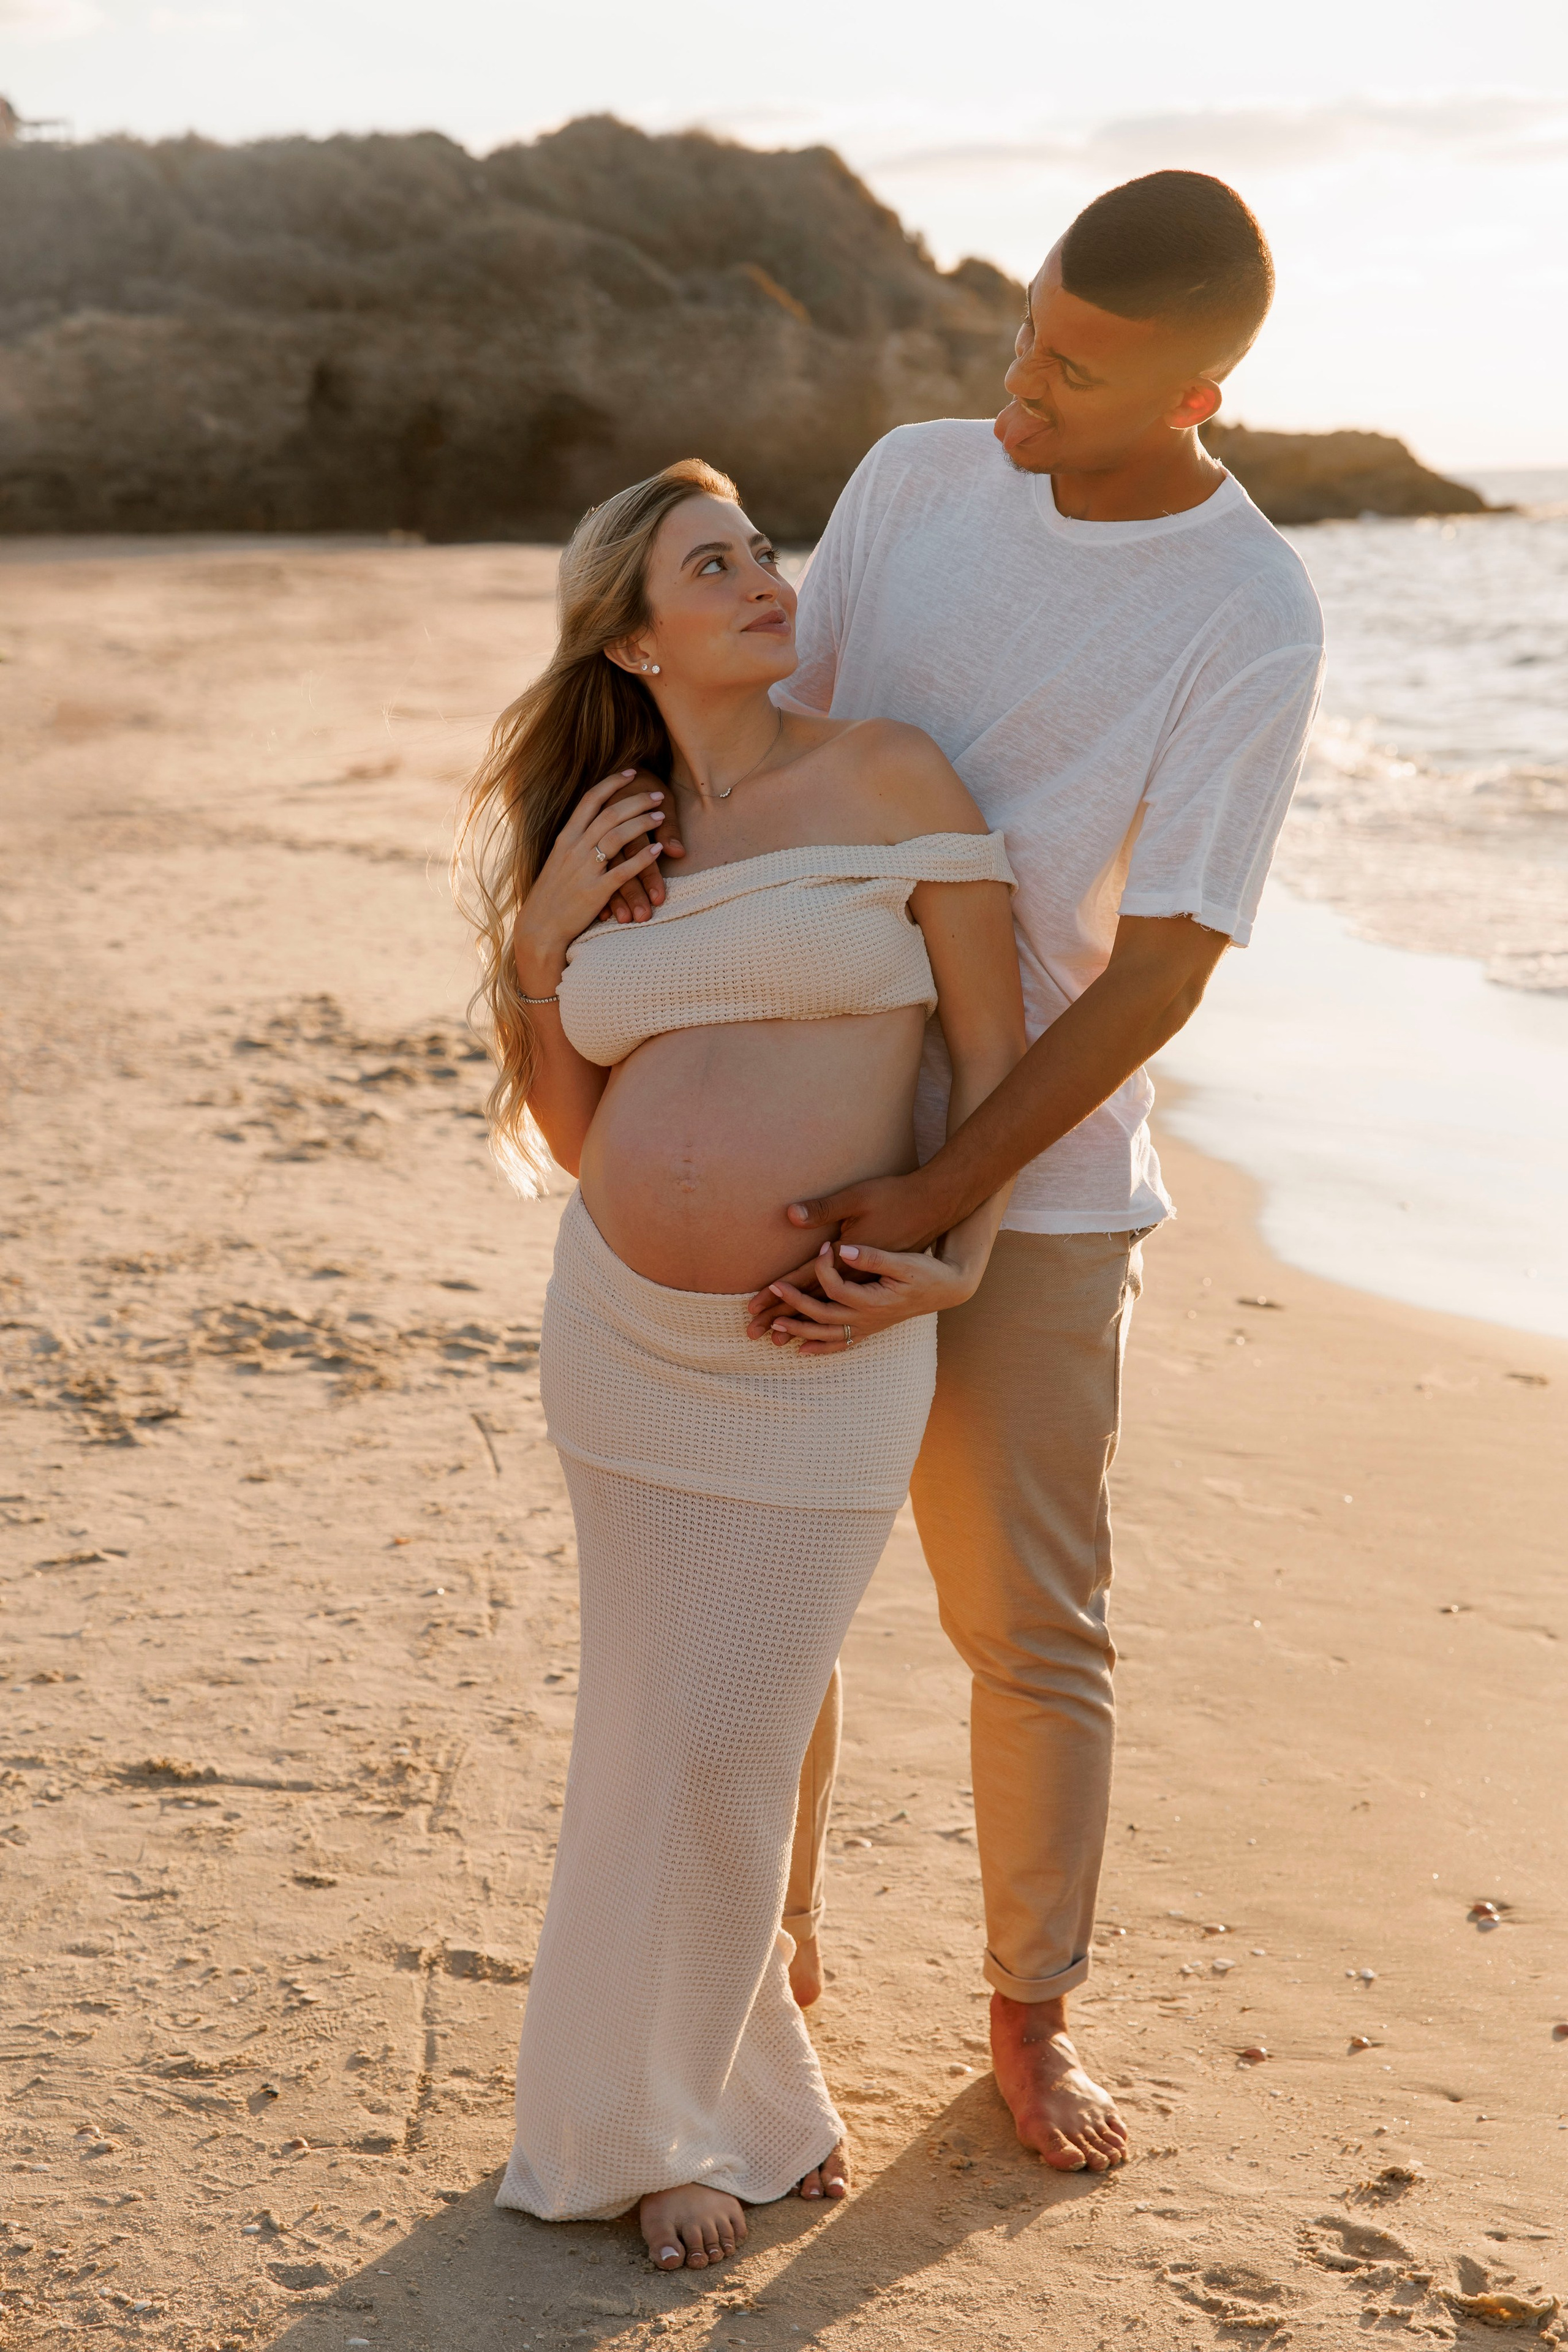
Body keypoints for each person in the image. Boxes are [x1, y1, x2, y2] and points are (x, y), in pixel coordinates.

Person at [614, 171, 1326, 2174]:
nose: (1019, 388)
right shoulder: (925, 476)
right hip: (808, 1142)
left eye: (1075, 372)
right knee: (779, 1597)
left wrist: (952, 1194)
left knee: (1028, 1623)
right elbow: (773, 747)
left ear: (1205, 386)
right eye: (1024, 332)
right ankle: (777, 1970)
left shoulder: (1249, 610)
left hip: (1046, 1184)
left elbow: (1168, 962)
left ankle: (1030, 2019)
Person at [456, 459, 1025, 2267]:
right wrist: (542, 943)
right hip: (622, 1337)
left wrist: (955, 1262)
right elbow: (564, 1119)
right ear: (634, 635)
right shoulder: (616, 831)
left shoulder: (894, 776)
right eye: (717, 563)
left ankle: (676, 2117)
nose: (767, 577)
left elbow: (1003, 1072)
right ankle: (708, 2120)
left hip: (819, 1347)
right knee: (650, 1733)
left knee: (728, 1736)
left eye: (764, 549)